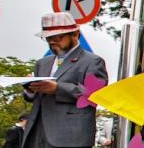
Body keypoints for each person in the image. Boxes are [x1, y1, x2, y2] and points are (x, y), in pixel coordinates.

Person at [22, 12, 109, 148]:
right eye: (48, 38)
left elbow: (95, 94)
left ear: (74, 34)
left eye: (57, 37)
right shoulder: (42, 63)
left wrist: (57, 88)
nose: (52, 41)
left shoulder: (92, 61)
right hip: (38, 133)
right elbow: (34, 97)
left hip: (69, 136)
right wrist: (29, 88)